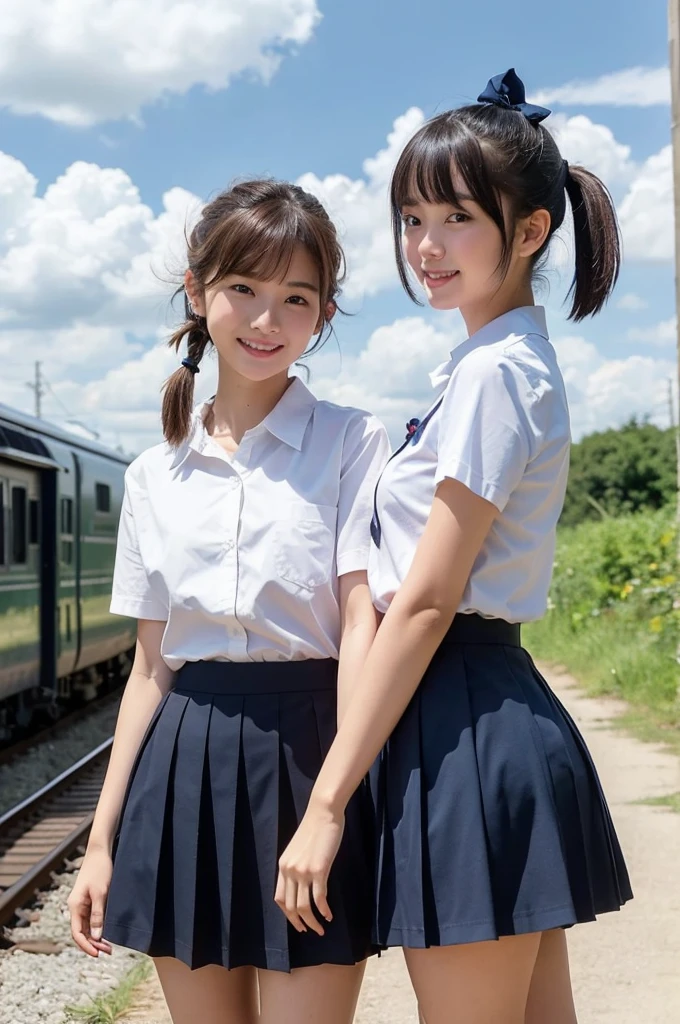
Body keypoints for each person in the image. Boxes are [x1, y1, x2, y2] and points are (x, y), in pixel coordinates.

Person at [276, 70, 633, 1024]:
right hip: (477, 715)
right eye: (411, 218)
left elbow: (428, 600)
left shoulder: (494, 377)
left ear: (531, 232)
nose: (425, 247)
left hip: (463, 722)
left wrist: (326, 803)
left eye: (457, 219)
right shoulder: (486, 365)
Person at [67, 179, 390, 1024]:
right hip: (184, 766)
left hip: (314, 752)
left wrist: (333, 805)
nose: (266, 320)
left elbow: (363, 625)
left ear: (322, 315)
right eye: (243, 289)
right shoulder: (152, 474)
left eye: (296, 298)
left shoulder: (355, 442)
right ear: (197, 292)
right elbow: (149, 671)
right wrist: (100, 843)